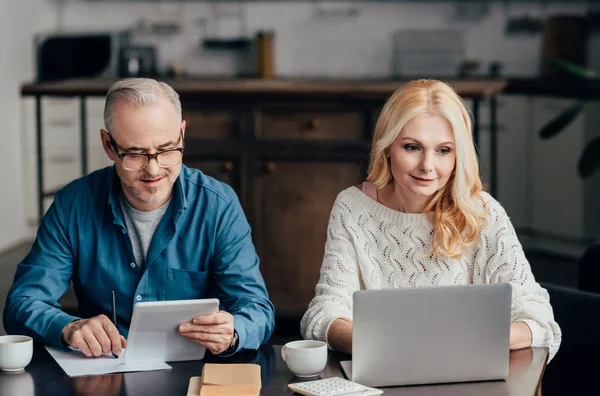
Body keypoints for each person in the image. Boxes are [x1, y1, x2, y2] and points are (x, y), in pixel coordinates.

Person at [4, 78, 274, 357]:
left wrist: (233, 332)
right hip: (103, 374)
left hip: (194, 378)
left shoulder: (218, 206)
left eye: (168, 150)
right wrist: (69, 328)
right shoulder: (73, 205)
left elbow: (257, 310)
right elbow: (22, 303)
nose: (154, 170)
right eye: (135, 155)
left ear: (182, 134)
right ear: (108, 145)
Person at [300, 79, 561, 360]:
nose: (427, 166)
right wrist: (383, 343)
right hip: (383, 370)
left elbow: (540, 320)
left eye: (443, 150)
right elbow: (323, 313)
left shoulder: (483, 213)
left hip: (467, 373)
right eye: (412, 147)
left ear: (457, 155)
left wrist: (482, 337)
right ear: (387, 146)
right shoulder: (352, 208)